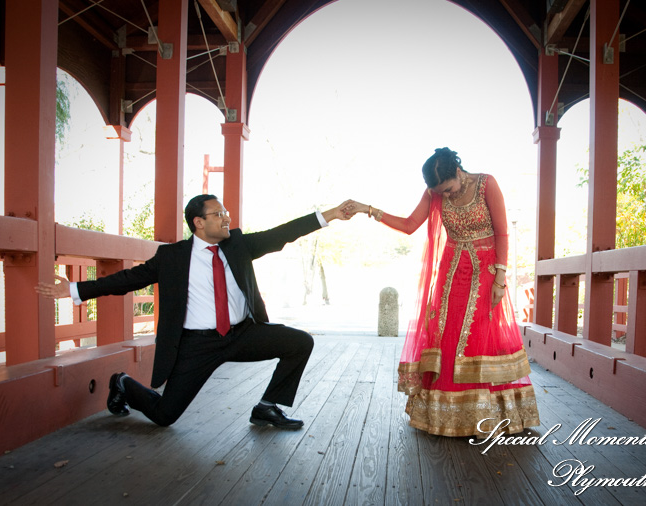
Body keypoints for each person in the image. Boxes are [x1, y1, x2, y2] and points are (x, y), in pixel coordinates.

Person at [36, 195, 355, 430]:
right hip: (196, 345)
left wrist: (333, 214)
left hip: (242, 334)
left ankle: (267, 406)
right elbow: (128, 279)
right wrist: (75, 290)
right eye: (219, 214)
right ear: (199, 222)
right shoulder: (172, 257)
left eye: (226, 212)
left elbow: (283, 233)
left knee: (300, 343)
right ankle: (122, 383)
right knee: (163, 417)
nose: (226, 218)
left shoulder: (239, 245)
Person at [348, 148, 540, 437]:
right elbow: (410, 225)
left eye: (448, 189)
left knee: (478, 338)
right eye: (441, 192)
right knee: (447, 335)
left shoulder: (487, 184)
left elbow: (502, 232)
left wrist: (500, 277)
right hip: (451, 273)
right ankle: (446, 417)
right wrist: (369, 210)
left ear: (459, 172)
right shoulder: (433, 192)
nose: (446, 196)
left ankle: (485, 416)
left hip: (485, 272)